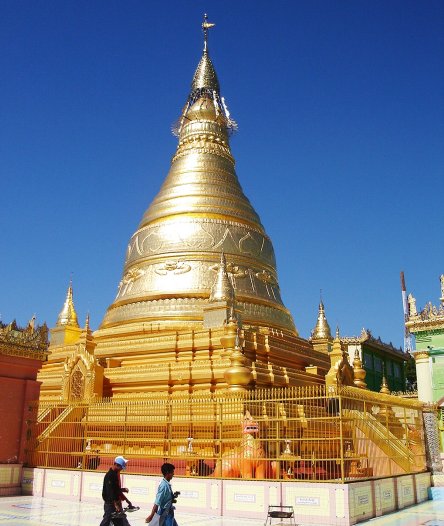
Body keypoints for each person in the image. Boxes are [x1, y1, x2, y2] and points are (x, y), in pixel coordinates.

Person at [100, 456, 129, 526]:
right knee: (107, 521)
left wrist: (122, 490)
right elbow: (111, 492)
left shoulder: (114, 475)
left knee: (121, 521)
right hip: (110, 504)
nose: (121, 469)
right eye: (121, 467)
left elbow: (115, 489)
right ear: (116, 465)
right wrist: (116, 505)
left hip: (114, 503)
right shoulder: (110, 475)